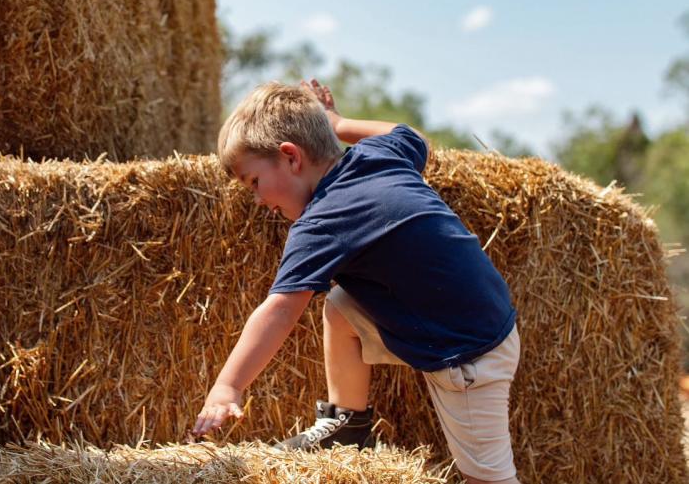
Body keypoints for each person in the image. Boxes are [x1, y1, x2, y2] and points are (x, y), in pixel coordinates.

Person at [191, 80, 520, 484]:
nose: (258, 200)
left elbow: (279, 311)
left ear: (291, 156)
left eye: (254, 182)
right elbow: (413, 136)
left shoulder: (322, 221)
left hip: (468, 354)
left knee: (487, 479)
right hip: (475, 313)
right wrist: (339, 123)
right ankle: (348, 423)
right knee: (341, 306)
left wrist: (228, 386)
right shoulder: (375, 155)